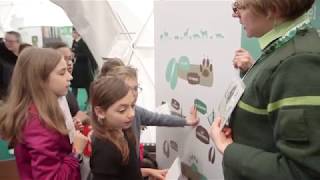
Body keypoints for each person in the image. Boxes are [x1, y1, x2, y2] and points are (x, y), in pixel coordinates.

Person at [210, 0, 320, 179]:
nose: (235, 14)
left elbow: (301, 172)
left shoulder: (298, 62)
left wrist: (227, 147)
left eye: (240, 7)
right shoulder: (281, 48)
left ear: (272, 10)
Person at [0, 48, 88, 180]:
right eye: (62, 73)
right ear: (40, 79)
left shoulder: (40, 111)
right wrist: (76, 152)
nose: (70, 77)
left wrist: (66, 132)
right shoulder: (39, 122)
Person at [103, 64, 199, 179]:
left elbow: (158, 118)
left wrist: (185, 121)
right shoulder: (105, 144)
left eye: (136, 88)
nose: (133, 93)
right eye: (122, 110)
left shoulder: (136, 113)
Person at [89, 76, 143, 180]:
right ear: (100, 112)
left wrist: (149, 172)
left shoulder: (123, 129)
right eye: (122, 110)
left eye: (132, 106)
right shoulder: (105, 149)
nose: (131, 114)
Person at [71, 28, 98, 101]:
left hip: (84, 69)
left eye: (74, 32)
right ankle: (73, 100)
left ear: (78, 33)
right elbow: (74, 51)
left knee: (87, 85)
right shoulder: (74, 41)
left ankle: (90, 99)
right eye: (72, 32)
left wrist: (75, 55)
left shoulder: (83, 42)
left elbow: (87, 55)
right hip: (76, 68)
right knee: (74, 85)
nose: (72, 34)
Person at [0, 31, 21, 100]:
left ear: (18, 41)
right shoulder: (2, 54)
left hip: (20, 92)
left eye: (11, 41)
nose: (7, 43)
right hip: (5, 93)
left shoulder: (25, 54)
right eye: (6, 40)